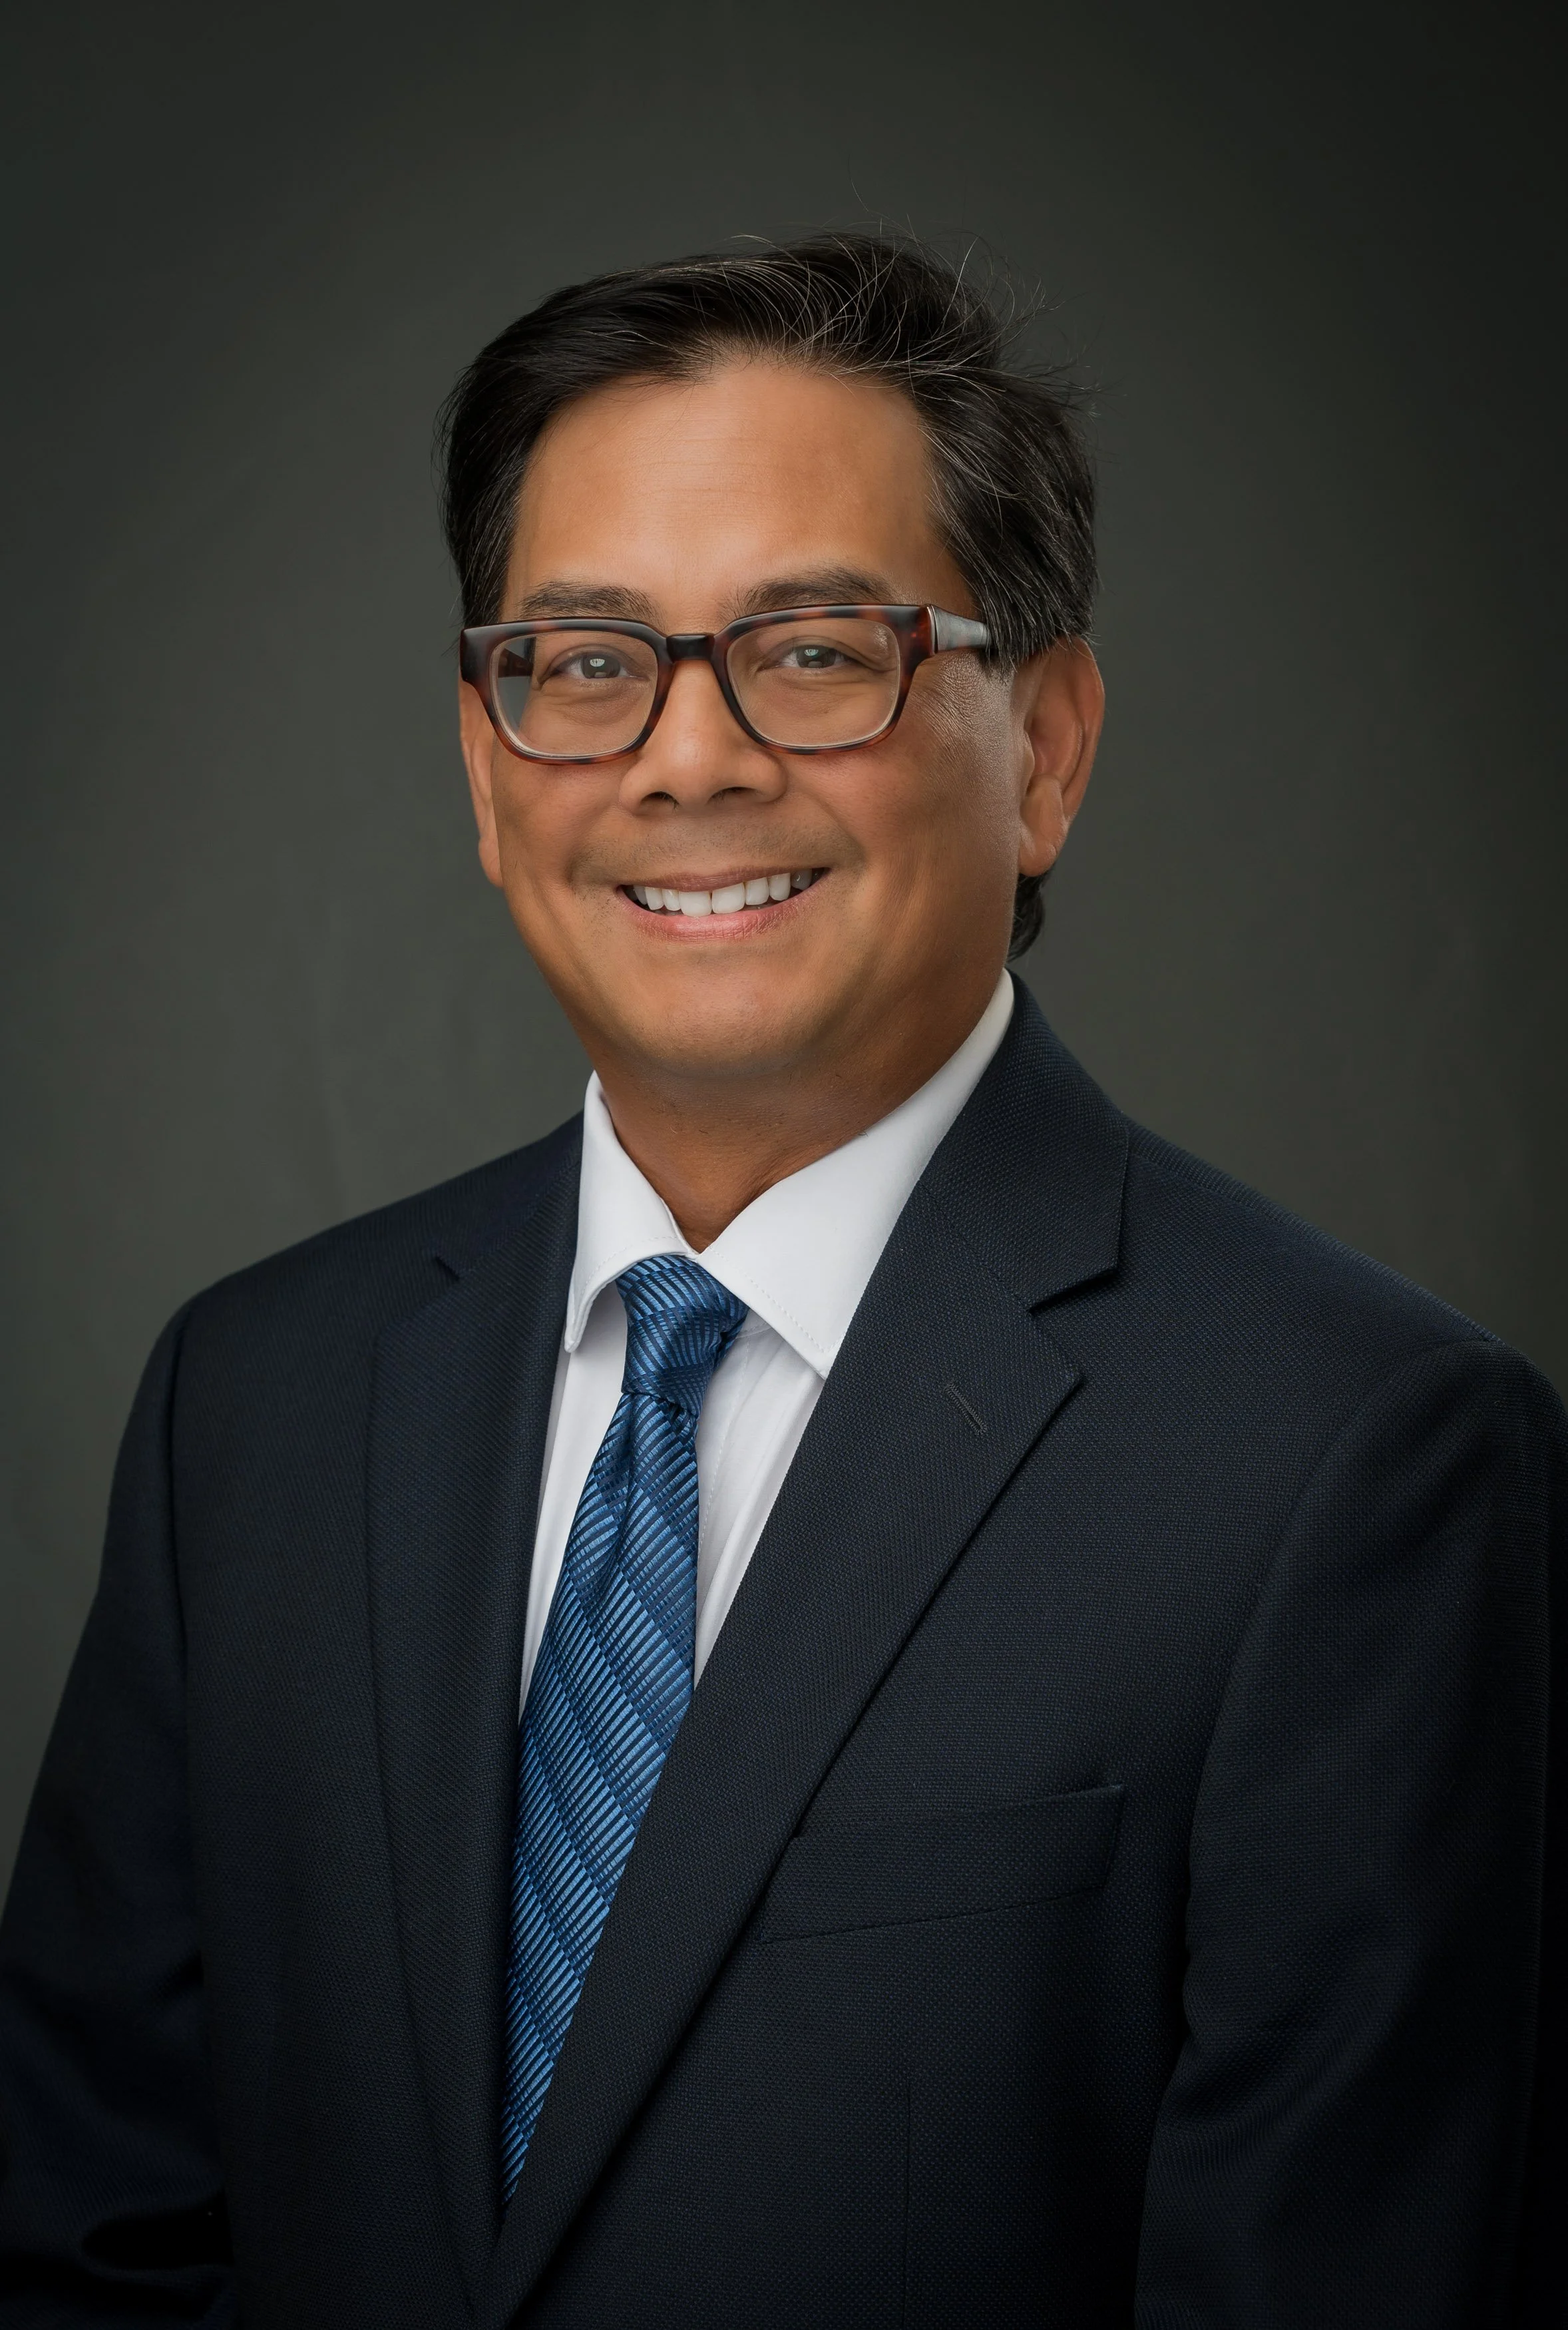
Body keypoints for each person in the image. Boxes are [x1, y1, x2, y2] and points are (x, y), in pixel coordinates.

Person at [0, 234, 1562, 2330]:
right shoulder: (255, 1402)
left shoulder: (1363, 1466)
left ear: (1051, 747)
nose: (688, 758)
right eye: (582, 662)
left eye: (815, 650)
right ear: (484, 765)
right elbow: (93, 2247)